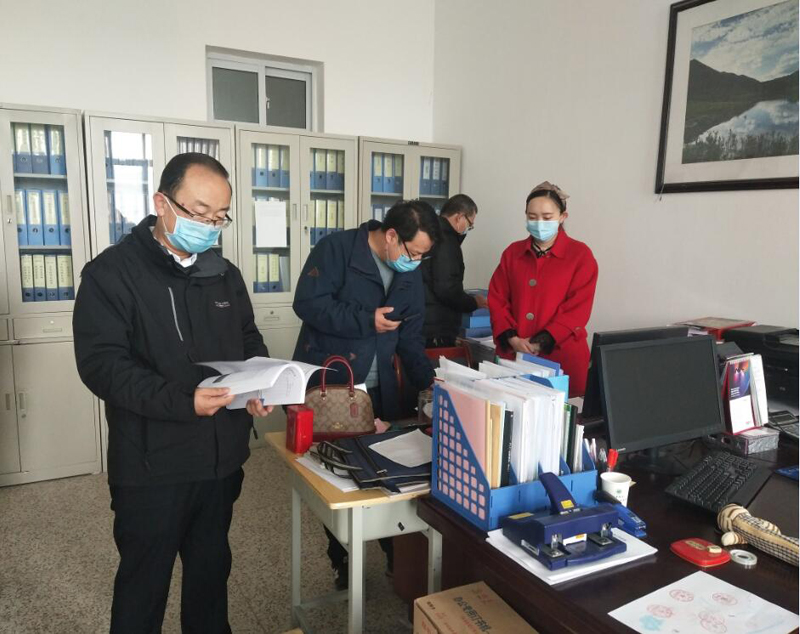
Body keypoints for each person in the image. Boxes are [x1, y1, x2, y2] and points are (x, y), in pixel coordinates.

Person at [73, 153, 272, 634]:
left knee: (210, 577)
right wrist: (184, 401)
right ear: (162, 203)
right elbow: (103, 366)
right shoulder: (112, 273)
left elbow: (248, 339)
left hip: (220, 461)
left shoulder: (222, 273)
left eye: (219, 217)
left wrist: (259, 382)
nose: (209, 226)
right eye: (199, 212)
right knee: (143, 587)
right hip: (152, 466)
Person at [292, 199, 440, 588]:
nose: (415, 263)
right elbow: (307, 304)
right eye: (412, 253)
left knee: (387, 474)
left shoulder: (408, 272)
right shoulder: (337, 249)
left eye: (422, 257)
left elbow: (410, 336)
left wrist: (429, 380)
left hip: (381, 389)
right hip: (334, 386)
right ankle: (340, 556)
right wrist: (365, 320)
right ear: (391, 235)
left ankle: (394, 555)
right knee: (338, 474)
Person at [488, 181, 598, 396]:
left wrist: (543, 341)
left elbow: (577, 309)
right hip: (515, 356)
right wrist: (511, 338)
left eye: (547, 217)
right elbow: (497, 298)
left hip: (561, 357)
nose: (539, 223)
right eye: (532, 217)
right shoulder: (513, 253)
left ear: (562, 217)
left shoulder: (580, 255)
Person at [421, 194, 488, 348]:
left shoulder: (431, 233)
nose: (468, 229)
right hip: (436, 327)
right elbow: (446, 288)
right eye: (470, 225)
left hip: (424, 321)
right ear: (459, 218)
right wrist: (473, 302)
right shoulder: (447, 241)